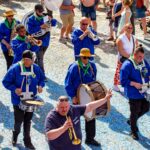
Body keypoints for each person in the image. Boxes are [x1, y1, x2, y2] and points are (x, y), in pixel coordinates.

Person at [2, 50, 45, 149]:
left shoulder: (36, 68)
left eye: (29, 60)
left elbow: (42, 79)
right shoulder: (15, 68)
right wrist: (14, 89)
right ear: (23, 59)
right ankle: (15, 135)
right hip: (18, 100)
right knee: (18, 121)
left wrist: (40, 86)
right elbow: (5, 82)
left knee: (28, 121)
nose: (27, 62)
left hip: (31, 99)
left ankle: (27, 141)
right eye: (25, 60)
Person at [45, 91, 112, 150]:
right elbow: (49, 136)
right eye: (61, 107)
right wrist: (63, 128)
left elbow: (90, 107)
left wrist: (105, 99)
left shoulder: (73, 109)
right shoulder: (51, 117)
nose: (64, 109)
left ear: (69, 105)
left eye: (66, 107)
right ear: (57, 107)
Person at [64, 48, 101, 146]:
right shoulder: (74, 67)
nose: (86, 59)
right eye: (84, 57)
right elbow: (68, 83)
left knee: (91, 117)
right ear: (80, 57)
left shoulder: (92, 66)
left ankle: (90, 138)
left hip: (88, 96)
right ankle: (71, 138)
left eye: (88, 57)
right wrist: (73, 96)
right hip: (77, 96)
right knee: (74, 118)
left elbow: (94, 80)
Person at [120, 45, 150, 140]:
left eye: (143, 56)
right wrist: (133, 83)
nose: (141, 59)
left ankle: (132, 120)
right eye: (139, 57)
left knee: (146, 108)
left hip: (144, 91)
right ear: (134, 55)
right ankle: (133, 131)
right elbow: (123, 81)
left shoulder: (143, 61)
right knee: (134, 111)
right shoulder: (127, 65)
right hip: (133, 93)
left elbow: (148, 71)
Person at [27, 4, 57, 80]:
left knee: (39, 58)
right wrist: (40, 26)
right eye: (40, 11)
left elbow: (54, 23)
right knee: (40, 58)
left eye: (42, 11)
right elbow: (30, 30)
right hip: (36, 41)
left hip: (46, 41)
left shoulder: (45, 17)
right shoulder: (31, 19)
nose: (41, 12)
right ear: (36, 10)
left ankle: (33, 69)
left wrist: (51, 19)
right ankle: (42, 75)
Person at [113, 23, 138, 92]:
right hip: (123, 59)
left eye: (131, 28)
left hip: (131, 59)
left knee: (129, 73)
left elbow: (137, 47)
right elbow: (121, 51)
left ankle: (126, 85)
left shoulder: (134, 37)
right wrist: (131, 58)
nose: (130, 29)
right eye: (128, 28)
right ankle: (115, 85)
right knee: (119, 72)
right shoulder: (120, 38)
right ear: (124, 29)